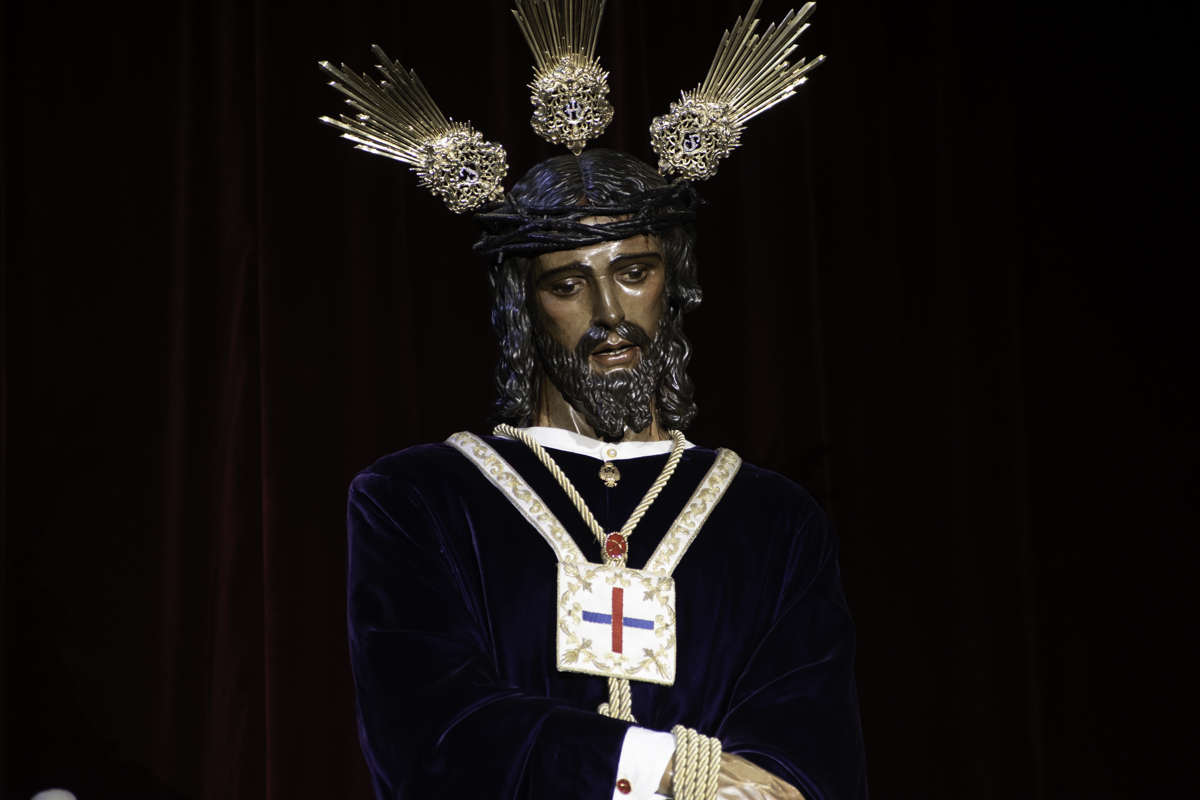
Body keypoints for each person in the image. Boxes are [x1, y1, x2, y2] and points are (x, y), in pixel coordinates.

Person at [346, 149, 868, 800]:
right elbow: (431, 729)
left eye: (634, 272)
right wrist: (662, 767)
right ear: (522, 304)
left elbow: (811, 751)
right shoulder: (420, 498)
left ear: (673, 280)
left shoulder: (773, 521)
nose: (610, 313)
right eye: (567, 285)